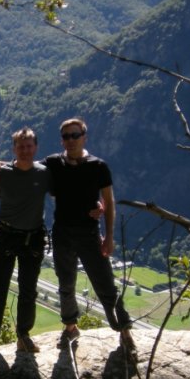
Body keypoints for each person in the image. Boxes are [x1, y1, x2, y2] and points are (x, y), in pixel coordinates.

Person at [45, 117, 135, 358]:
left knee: (105, 283)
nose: (70, 140)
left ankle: (123, 329)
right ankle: (70, 328)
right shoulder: (54, 163)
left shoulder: (98, 166)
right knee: (66, 284)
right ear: (61, 140)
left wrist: (109, 236)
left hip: (88, 233)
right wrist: (1, 164)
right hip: (62, 233)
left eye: (75, 135)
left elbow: (110, 201)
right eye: (66, 136)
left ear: (84, 136)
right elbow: (26, 168)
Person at [0, 127, 52, 356]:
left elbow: (67, 190)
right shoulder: (1, 174)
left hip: (33, 238)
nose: (25, 150)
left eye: (29, 146)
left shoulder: (44, 173)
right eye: (20, 146)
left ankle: (23, 337)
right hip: (5, 236)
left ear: (35, 147)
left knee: (28, 290)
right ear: (14, 149)